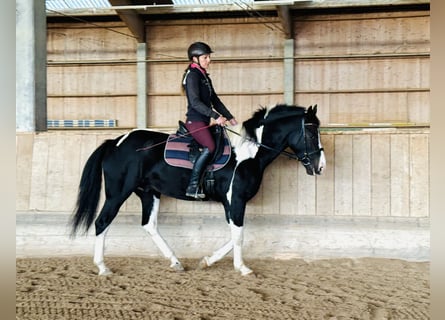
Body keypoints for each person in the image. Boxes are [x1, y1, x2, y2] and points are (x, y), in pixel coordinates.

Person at [182, 41, 238, 199]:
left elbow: (215, 100)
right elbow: (195, 102)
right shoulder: (192, 75)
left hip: (204, 121)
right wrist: (216, 116)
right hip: (195, 121)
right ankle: (193, 186)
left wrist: (231, 117)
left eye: (208, 57)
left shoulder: (204, 76)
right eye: (205, 57)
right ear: (195, 59)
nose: (209, 60)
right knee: (210, 146)